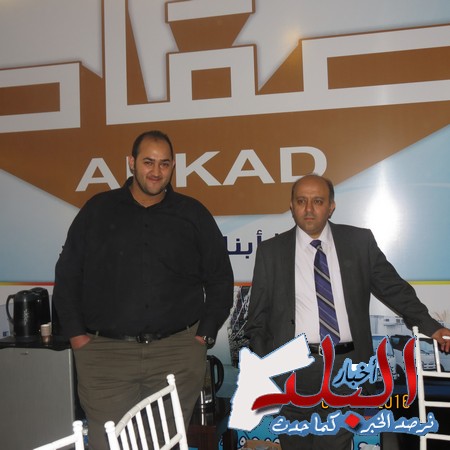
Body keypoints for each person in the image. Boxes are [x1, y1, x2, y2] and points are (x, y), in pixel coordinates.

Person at [52, 130, 234, 450]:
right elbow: (67, 276)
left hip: (176, 354)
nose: (156, 171)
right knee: (108, 444)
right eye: (148, 162)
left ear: (173, 166)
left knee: (164, 445)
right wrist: (78, 337)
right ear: (131, 162)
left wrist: (203, 336)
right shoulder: (97, 210)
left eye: (164, 164)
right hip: (106, 357)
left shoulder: (193, 214)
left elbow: (220, 279)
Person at [245, 174, 450, 450]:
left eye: (318, 201)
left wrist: (431, 325)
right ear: (291, 206)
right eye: (301, 201)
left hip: (347, 370)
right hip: (293, 371)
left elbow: (393, 289)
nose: (309, 209)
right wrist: (268, 369)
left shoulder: (359, 242)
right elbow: (257, 319)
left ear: (331, 206)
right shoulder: (271, 252)